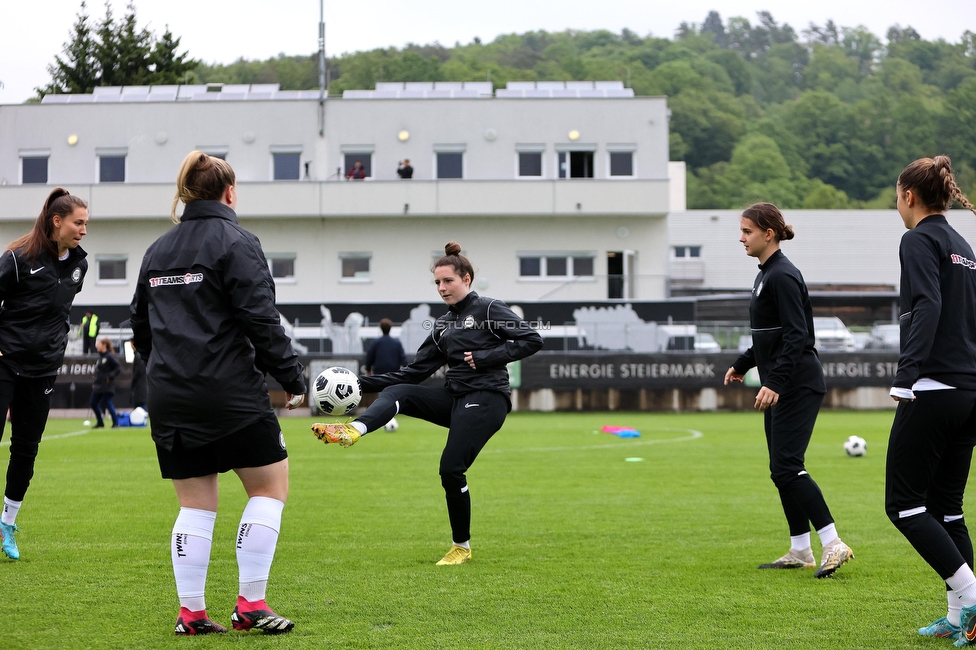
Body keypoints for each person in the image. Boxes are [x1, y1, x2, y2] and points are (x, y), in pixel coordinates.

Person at [130, 151, 307, 636]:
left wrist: (166, 373)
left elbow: (140, 330)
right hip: (229, 393)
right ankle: (250, 604)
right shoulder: (237, 241)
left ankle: (191, 615)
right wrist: (292, 378)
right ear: (230, 193)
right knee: (269, 488)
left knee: (194, 505)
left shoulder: (157, 250)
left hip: (170, 396)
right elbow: (261, 319)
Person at [312, 241, 543, 565]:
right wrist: (360, 383)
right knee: (400, 392)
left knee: (450, 469)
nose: (441, 287)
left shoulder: (489, 309)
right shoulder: (442, 327)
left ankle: (461, 546)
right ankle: (353, 430)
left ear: (466, 278)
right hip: (455, 399)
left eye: (447, 280)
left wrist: (485, 357)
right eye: (437, 282)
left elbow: (532, 339)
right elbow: (414, 372)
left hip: (487, 399)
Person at [724, 202, 853, 579]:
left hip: (797, 384)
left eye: (747, 231)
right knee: (780, 470)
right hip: (783, 384)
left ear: (769, 233)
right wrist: (744, 363)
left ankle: (833, 543)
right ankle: (801, 549)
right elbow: (770, 337)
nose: (741, 237)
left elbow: (798, 336)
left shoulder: (782, 275)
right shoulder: (765, 274)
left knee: (787, 467)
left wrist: (774, 382)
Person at [882, 156, 976, 644]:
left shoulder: (917, 239)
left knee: (903, 505)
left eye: (896, 196)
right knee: (947, 508)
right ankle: (961, 615)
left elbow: (927, 305)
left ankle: (973, 595)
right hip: (970, 393)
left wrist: (906, 375)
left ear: (909, 196)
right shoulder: (963, 245)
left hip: (934, 389)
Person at [0, 187, 89, 560]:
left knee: (26, 450)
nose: (84, 230)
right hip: (5, 363)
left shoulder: (80, 265)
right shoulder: (18, 257)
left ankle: (7, 524)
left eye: (86, 223)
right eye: (78, 222)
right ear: (57, 222)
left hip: (43, 371)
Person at [90, 338, 120, 428]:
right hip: (99, 385)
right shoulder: (100, 357)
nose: (97, 346)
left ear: (104, 345)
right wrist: (95, 382)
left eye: (99, 344)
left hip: (107, 385)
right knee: (93, 403)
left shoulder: (109, 356)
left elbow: (118, 368)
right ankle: (100, 422)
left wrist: (110, 376)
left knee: (108, 403)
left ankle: (116, 423)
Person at [128, 339, 148, 411]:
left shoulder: (138, 355)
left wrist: (133, 382)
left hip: (139, 386)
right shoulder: (139, 354)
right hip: (141, 386)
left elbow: (138, 371)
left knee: (140, 408)